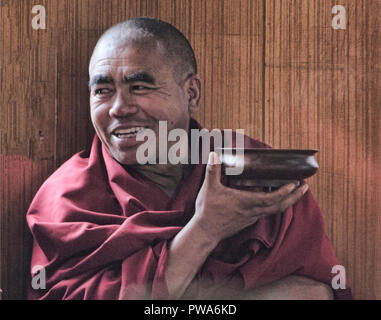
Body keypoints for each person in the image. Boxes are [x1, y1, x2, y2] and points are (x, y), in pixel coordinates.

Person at [26, 17, 352, 300]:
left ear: (191, 94)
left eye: (139, 87)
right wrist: (206, 229)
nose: (118, 108)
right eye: (102, 91)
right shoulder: (68, 198)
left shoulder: (254, 170)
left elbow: (314, 291)